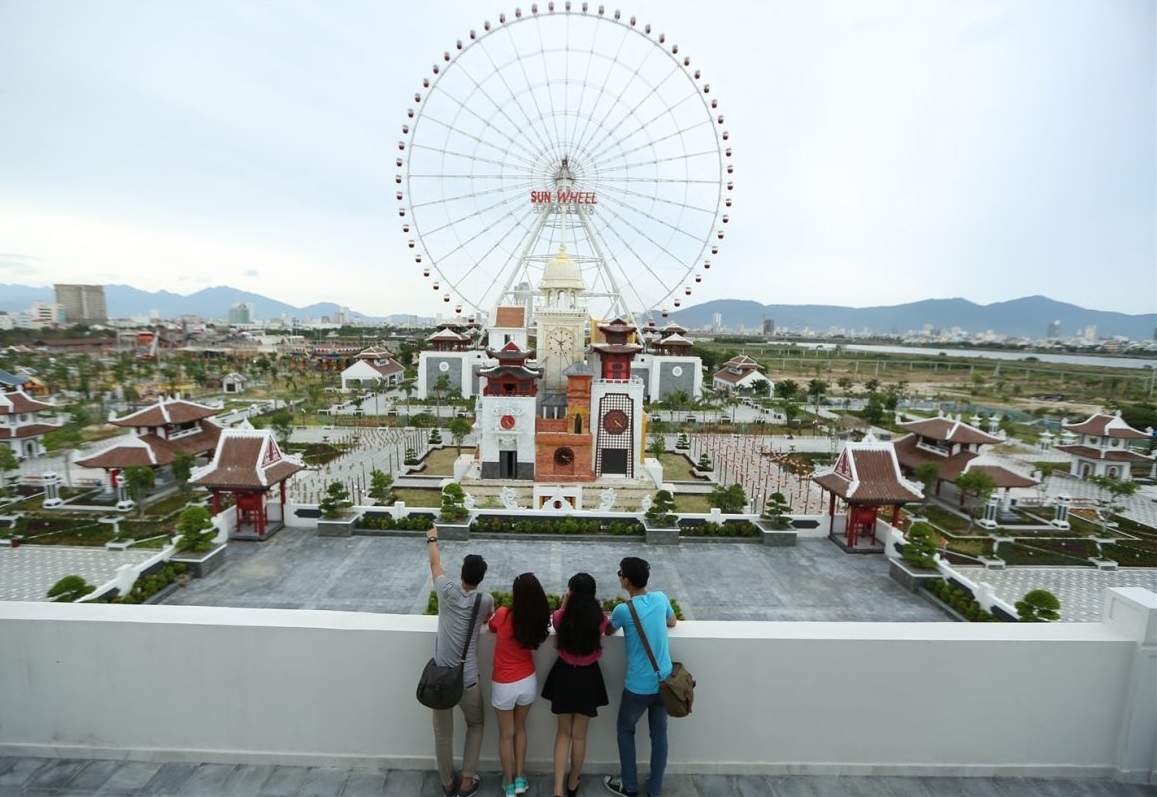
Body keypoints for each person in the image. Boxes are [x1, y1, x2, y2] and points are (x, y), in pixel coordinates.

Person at [426, 524, 494, 797]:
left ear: (462, 574)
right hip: (468, 680)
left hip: (441, 678)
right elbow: (488, 620)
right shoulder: (484, 600)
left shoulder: (445, 591)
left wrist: (431, 537)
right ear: (480, 579)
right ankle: (467, 781)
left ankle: (446, 783)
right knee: (475, 725)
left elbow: (435, 562)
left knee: (442, 733)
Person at [603, 557, 675, 797]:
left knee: (625, 730)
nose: (619, 576)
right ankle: (655, 789)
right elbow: (672, 621)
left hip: (637, 688)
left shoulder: (624, 610)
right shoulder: (661, 598)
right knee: (659, 735)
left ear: (627, 581)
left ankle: (630, 785)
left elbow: (608, 630)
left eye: (619, 573)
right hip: (664, 682)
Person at [542, 572, 610, 797]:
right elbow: (606, 627)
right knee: (579, 735)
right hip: (588, 677)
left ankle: (557, 788)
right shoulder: (600, 619)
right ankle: (573, 782)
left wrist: (565, 601)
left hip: (564, 675)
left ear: (571, 593)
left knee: (563, 733)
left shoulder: (562, 618)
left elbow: (559, 616)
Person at [488, 573, 551, 797]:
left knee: (506, 735)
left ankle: (509, 783)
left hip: (504, 684)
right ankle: (521, 777)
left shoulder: (504, 615)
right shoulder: (536, 621)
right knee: (521, 728)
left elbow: (491, 625)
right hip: (527, 681)